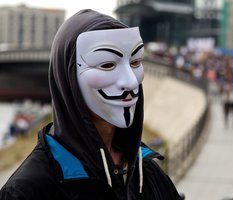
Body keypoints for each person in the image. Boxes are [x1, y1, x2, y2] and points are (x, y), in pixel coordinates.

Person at [0, 9, 182, 200]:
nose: (130, 81)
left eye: (135, 62)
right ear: (68, 77)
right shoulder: (28, 191)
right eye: (107, 65)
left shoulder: (148, 171)